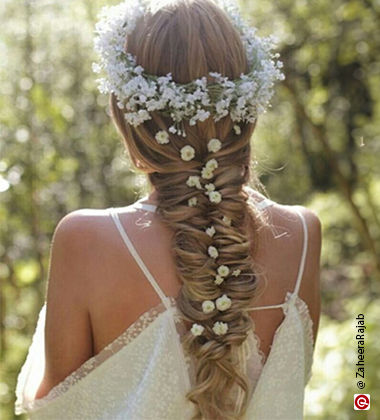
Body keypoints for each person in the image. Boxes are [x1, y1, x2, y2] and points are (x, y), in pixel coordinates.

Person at [15, 0, 322, 419]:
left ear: (129, 114)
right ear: (246, 106)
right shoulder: (302, 235)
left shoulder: (85, 241)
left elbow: (55, 410)